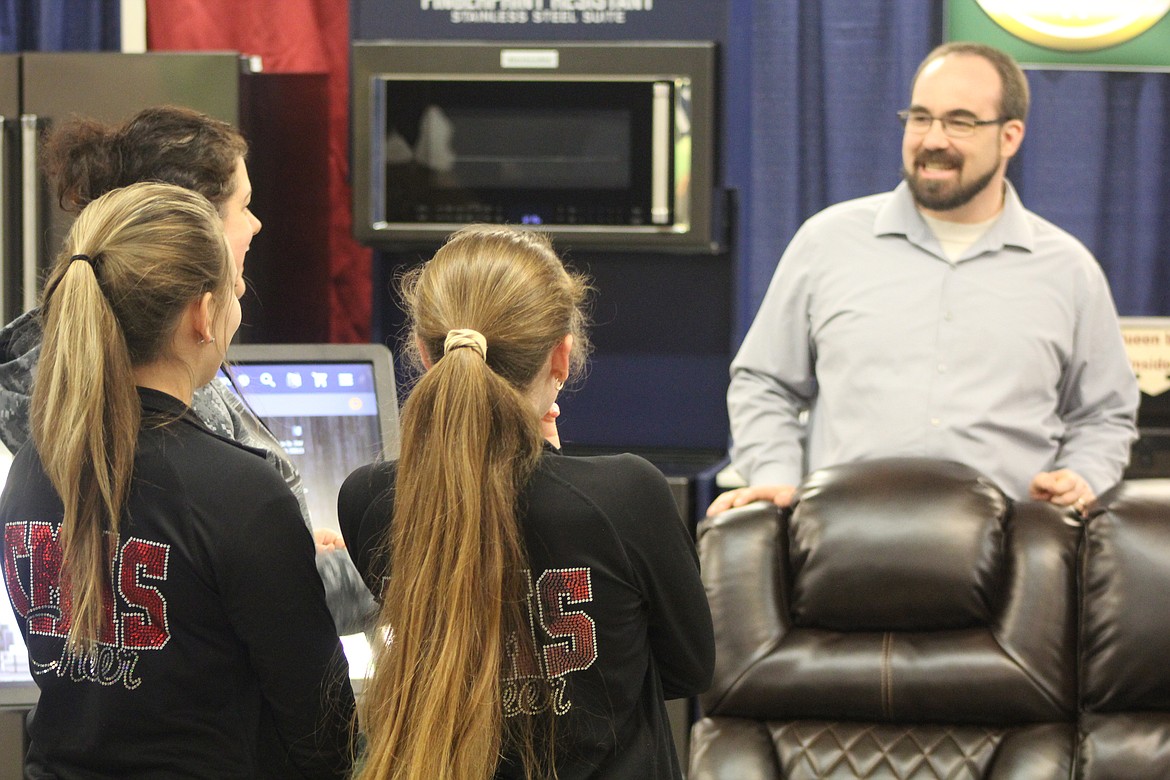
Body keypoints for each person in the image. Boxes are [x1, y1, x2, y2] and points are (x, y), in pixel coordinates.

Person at [0, 182, 354, 778]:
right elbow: (324, 728)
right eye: (234, 291)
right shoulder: (241, 491)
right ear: (202, 313)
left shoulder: (34, 464)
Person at [338, 225, 714, 780]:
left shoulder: (370, 500)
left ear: (423, 353)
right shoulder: (626, 496)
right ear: (561, 359)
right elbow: (688, 668)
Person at [710, 41, 1138, 516]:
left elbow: (1105, 415)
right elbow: (764, 382)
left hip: (1014, 559)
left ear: (1011, 136)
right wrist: (775, 475)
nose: (933, 139)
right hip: (842, 545)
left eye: (960, 122)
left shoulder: (1068, 270)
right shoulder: (827, 243)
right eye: (920, 117)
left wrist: (1081, 476)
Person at [0, 105, 375, 633]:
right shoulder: (170, 398)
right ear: (192, 229)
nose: (256, 224)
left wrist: (289, 543)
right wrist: (388, 569)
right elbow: (265, 600)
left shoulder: (62, 381)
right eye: (243, 206)